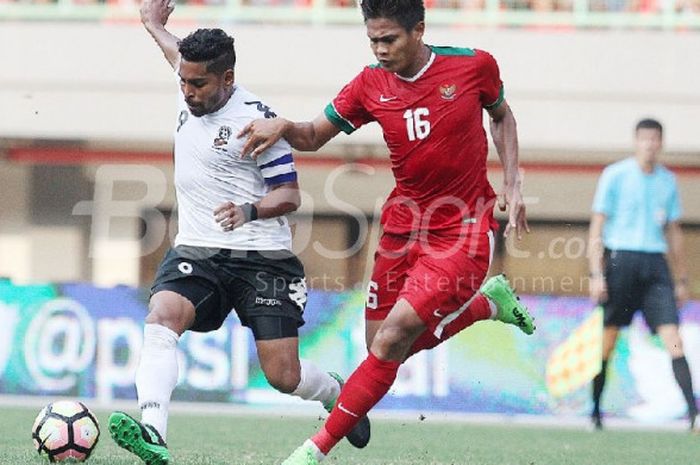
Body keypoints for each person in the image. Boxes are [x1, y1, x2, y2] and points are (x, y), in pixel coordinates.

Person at [239, 1, 535, 463]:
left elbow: (502, 116)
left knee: (392, 337)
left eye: (389, 40)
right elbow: (314, 135)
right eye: (372, 39)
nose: (379, 49)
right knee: (381, 343)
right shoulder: (369, 84)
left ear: (418, 30)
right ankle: (487, 305)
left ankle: (313, 451)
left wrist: (513, 182)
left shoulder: (473, 65)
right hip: (402, 225)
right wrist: (283, 126)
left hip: (463, 225)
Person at [107, 1, 369, 463]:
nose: (186, 90)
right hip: (199, 249)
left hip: (261, 258)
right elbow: (176, 56)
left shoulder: (258, 123)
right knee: (162, 317)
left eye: (198, 83)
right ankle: (153, 432)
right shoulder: (189, 81)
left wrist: (249, 211)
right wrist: (152, 24)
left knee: (283, 375)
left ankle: (335, 393)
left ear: (226, 79)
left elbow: (289, 195)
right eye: (184, 80)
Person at [588, 118, 697, 431]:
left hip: (655, 267)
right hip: (620, 262)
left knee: (674, 340)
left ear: (661, 143)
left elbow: (673, 232)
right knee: (606, 343)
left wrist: (682, 278)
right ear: (636, 141)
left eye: (655, 139)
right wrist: (596, 273)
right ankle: (595, 412)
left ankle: (693, 415)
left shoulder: (668, 181)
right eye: (644, 138)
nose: (650, 144)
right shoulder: (615, 175)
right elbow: (597, 225)